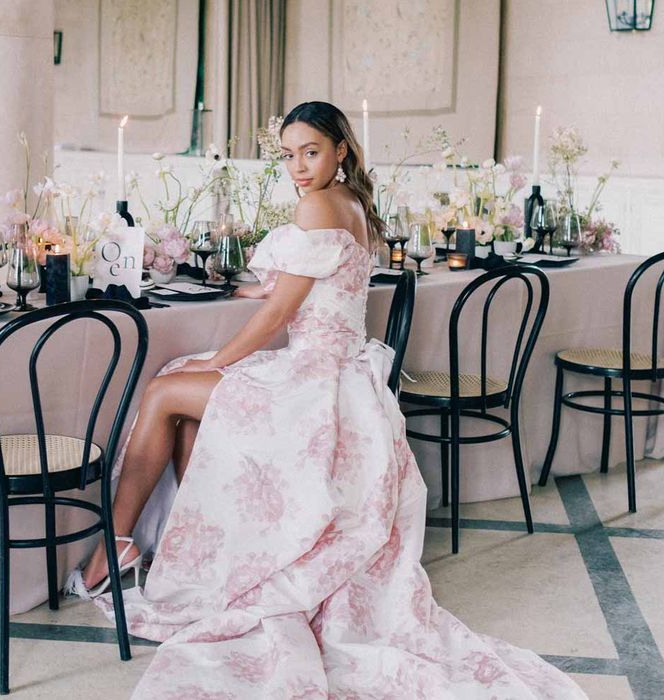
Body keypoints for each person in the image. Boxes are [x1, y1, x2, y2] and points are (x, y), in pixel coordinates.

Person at [67, 101, 587, 698]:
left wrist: (221, 359)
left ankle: (116, 546)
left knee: (165, 390)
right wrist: (240, 292)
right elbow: (292, 286)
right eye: (288, 156)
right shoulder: (352, 204)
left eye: (310, 152)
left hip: (311, 384)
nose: (298, 167)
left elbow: (279, 313)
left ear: (341, 148)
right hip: (339, 375)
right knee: (187, 407)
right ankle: (212, 552)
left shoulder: (317, 204)